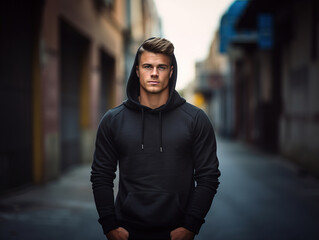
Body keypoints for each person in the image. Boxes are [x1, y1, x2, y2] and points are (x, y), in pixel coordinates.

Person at [91, 37, 220, 240]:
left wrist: (191, 226)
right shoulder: (113, 120)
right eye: (147, 66)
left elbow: (208, 176)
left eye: (161, 67)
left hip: (176, 233)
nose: (154, 73)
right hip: (126, 232)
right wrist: (109, 225)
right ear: (136, 71)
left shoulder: (195, 120)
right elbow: (101, 175)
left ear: (171, 71)